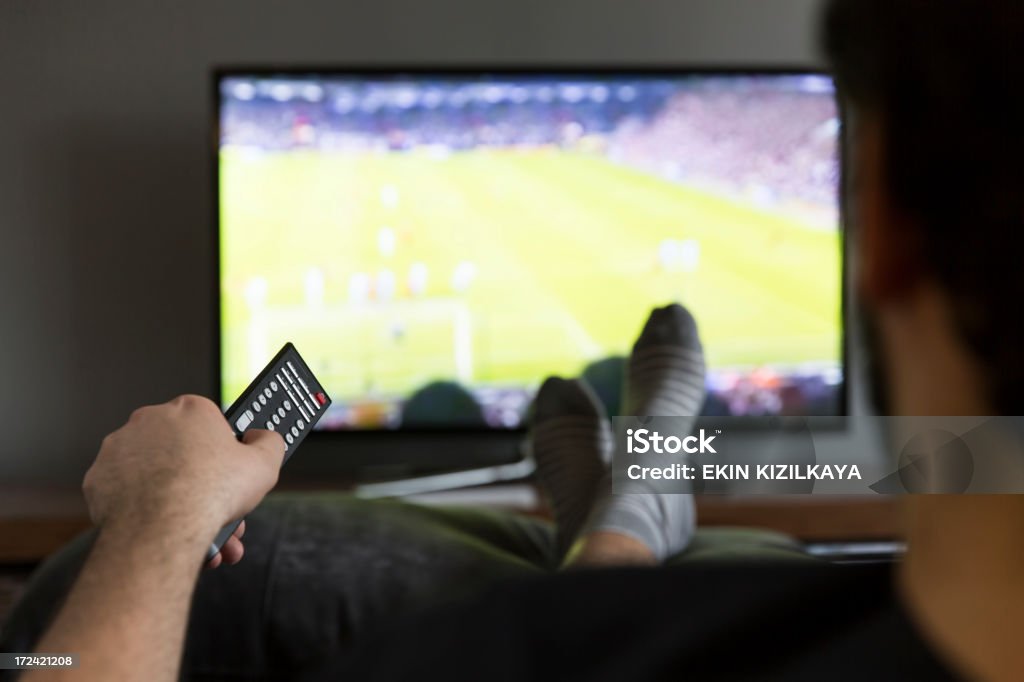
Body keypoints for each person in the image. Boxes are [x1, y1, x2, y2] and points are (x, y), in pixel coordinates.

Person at [24, 0, 1024, 678]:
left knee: (74, 588)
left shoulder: (483, 654)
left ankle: (622, 514)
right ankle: (631, 496)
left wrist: (159, 518)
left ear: (879, 217)